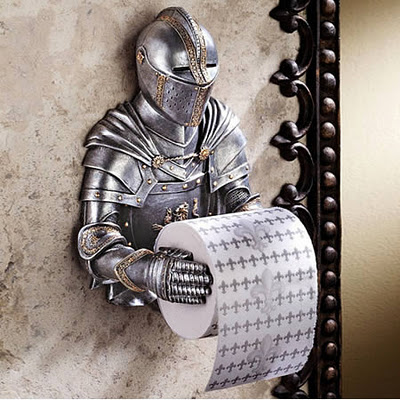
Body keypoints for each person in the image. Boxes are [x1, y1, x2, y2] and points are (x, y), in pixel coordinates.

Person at [77, 7, 260, 307]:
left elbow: (239, 199)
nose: (197, 85)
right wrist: (149, 271)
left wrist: (258, 232)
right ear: (144, 61)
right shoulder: (122, 139)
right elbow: (96, 241)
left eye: (207, 68)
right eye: (182, 71)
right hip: (141, 294)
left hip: (213, 286)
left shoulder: (219, 125)